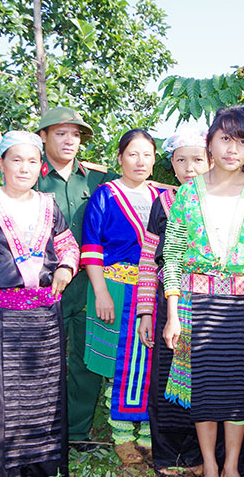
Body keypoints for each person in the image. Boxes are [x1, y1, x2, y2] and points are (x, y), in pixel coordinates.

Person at [162, 105, 244, 477]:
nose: (233, 149)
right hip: (195, 304)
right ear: (210, 143)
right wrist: (172, 313)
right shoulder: (186, 195)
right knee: (203, 389)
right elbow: (173, 256)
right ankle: (210, 466)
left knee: (240, 389)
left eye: (242, 142)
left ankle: (232, 466)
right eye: (225, 139)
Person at [0, 131, 79, 477]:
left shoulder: (48, 204)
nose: (24, 167)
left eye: (31, 160)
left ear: (41, 166)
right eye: (16, 159)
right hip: (0, 316)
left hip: (44, 317)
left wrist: (67, 267)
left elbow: (69, 246)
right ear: (1, 163)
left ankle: (42, 468)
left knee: (45, 399)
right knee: (4, 400)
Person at [34, 106, 118, 450]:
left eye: (75, 135)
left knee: (85, 360)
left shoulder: (99, 179)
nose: (70, 141)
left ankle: (78, 434)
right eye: (60, 133)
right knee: (40, 360)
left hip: (88, 284)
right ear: (43, 137)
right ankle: (41, 432)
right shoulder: (28, 175)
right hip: (42, 284)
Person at [80, 129, 161, 464]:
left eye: (147, 154)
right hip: (114, 285)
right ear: (119, 158)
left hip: (153, 289)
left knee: (151, 361)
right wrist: (101, 292)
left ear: (156, 159)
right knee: (120, 363)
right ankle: (122, 434)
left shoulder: (164, 197)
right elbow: (92, 246)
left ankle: (147, 432)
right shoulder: (106, 195)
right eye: (132, 154)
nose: (140, 161)